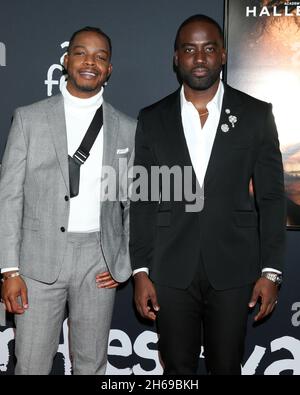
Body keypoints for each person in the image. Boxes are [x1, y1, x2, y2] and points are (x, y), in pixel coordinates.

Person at [129, 15, 286, 375]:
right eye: (189, 49)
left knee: (227, 367)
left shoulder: (256, 115)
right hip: (169, 271)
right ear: (176, 58)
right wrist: (140, 270)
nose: (199, 58)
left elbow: (273, 198)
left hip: (234, 269)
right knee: (177, 371)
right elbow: (142, 200)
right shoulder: (152, 118)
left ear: (223, 55)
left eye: (209, 49)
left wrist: (272, 271)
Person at [0, 26, 136, 375]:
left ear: (109, 69)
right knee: (30, 364)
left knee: (91, 365)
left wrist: (123, 258)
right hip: (36, 260)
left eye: (100, 57)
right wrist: (9, 270)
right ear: (66, 60)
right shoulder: (29, 118)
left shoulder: (126, 127)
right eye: (81, 53)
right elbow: (9, 196)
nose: (90, 62)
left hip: (97, 260)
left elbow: (136, 202)